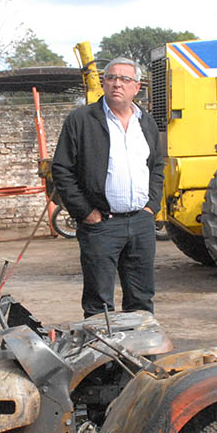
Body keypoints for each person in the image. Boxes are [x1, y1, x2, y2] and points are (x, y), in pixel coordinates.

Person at [51, 57, 164, 317]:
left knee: (141, 300)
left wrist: (151, 207)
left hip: (141, 223)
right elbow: (62, 169)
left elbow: (157, 166)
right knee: (98, 303)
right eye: (111, 78)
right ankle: (101, 346)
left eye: (124, 79)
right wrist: (86, 213)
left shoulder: (146, 122)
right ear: (103, 83)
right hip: (101, 225)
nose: (117, 84)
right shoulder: (81, 120)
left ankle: (139, 343)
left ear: (137, 87)